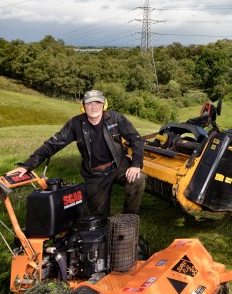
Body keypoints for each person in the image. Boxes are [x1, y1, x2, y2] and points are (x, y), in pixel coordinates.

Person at [8, 89, 146, 217]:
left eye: (97, 102)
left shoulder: (116, 119)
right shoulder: (76, 124)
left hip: (118, 165)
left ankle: (129, 218)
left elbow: (136, 139)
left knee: (138, 179)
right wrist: (27, 165)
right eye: (89, 103)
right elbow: (52, 144)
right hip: (95, 173)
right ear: (83, 106)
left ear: (104, 105)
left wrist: (135, 164)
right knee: (98, 217)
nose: (93, 107)